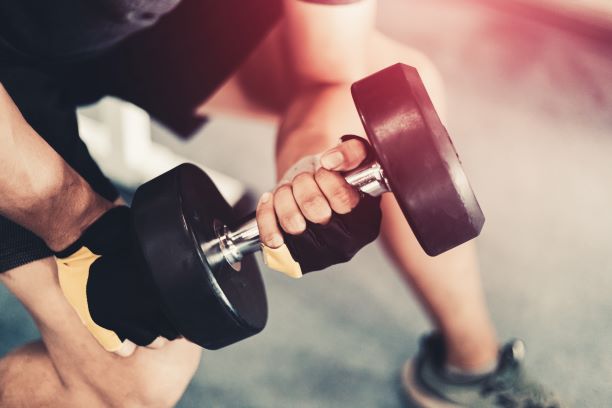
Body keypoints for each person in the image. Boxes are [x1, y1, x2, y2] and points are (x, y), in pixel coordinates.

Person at [0, 0, 560, 407]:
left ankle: (468, 370)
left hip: (111, 26)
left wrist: (314, 168)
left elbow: (326, 73)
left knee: (385, 84)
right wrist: (74, 218)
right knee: (134, 373)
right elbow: (74, 221)